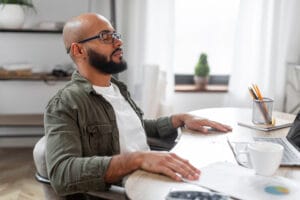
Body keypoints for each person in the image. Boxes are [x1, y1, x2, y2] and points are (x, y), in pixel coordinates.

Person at [44, 13, 232, 199]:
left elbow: (136, 128)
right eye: (105, 37)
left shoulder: (117, 89)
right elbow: (62, 174)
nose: (118, 43)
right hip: (130, 190)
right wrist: (136, 159)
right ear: (78, 51)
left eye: (115, 35)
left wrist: (179, 119)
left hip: (155, 177)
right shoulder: (65, 104)